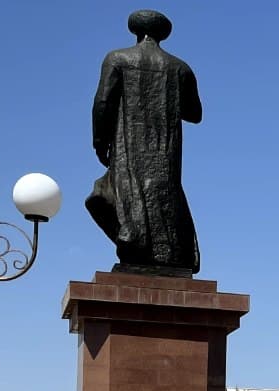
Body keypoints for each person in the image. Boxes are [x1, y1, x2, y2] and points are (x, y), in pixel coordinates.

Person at [87, 9, 202, 274]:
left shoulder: (117, 58)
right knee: (158, 196)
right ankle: (148, 246)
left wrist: (99, 140)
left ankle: (134, 241)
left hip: (129, 146)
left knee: (119, 195)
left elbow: (102, 102)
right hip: (165, 151)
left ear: (136, 31)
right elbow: (194, 113)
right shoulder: (179, 67)